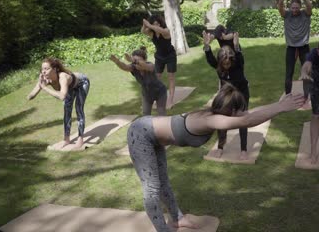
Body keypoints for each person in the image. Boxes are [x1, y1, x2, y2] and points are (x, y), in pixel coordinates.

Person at [127, 83, 305, 231]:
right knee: (152, 188)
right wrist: (280, 107)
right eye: (239, 110)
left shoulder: (218, 113)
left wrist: (277, 105)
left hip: (154, 136)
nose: (242, 112)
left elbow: (248, 114)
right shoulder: (210, 119)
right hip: (141, 134)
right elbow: (247, 121)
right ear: (231, 110)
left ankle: (177, 219)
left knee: (163, 181)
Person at [202, 30, 250, 160]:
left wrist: (236, 45)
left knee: (242, 119)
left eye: (228, 63)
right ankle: (220, 147)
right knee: (221, 118)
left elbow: (239, 55)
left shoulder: (238, 63)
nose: (226, 66)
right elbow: (210, 57)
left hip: (241, 93)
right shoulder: (218, 65)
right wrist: (207, 45)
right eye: (224, 63)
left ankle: (244, 150)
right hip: (227, 94)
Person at [27, 58, 90, 150]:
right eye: (42, 69)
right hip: (69, 87)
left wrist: (44, 88)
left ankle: (80, 139)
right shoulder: (45, 78)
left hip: (82, 83)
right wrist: (37, 87)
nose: (43, 71)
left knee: (79, 108)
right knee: (67, 110)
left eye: (46, 69)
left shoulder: (62, 77)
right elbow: (31, 96)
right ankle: (66, 139)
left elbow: (62, 96)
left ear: (55, 69)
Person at [110, 47, 167, 116]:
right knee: (145, 114)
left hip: (160, 92)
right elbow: (125, 67)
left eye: (138, 61)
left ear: (145, 60)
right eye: (134, 61)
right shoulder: (133, 67)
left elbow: (146, 66)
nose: (136, 64)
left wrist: (133, 60)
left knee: (161, 113)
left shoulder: (150, 65)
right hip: (146, 94)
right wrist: (117, 62)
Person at [278, 0, 312, 95]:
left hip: (304, 47)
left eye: (296, 8)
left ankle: (308, 94)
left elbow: (309, 7)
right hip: (291, 47)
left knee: (307, 71)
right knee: (289, 72)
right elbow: (280, 8)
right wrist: (281, 1)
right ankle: (288, 94)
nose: (294, 10)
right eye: (292, 8)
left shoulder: (305, 14)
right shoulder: (287, 15)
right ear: (290, 7)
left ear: (300, 7)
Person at [141, 15, 177, 109]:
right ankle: (158, 99)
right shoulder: (152, 34)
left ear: (161, 23)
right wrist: (145, 24)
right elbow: (143, 31)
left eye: (158, 23)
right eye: (154, 24)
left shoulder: (165, 31)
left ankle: (170, 101)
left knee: (171, 78)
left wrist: (149, 24)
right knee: (157, 78)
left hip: (170, 56)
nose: (156, 26)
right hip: (159, 57)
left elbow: (159, 30)